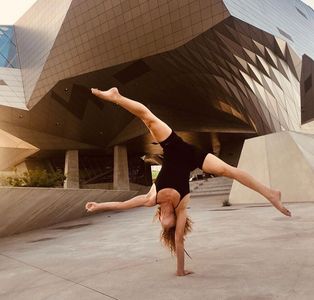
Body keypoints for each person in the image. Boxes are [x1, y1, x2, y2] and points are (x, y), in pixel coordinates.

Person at [85, 87, 291, 276]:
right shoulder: (181, 205)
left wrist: (98, 205)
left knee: (148, 119)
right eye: (170, 223)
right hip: (193, 157)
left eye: (163, 223)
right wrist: (181, 270)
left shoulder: (151, 199)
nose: (166, 220)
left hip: (174, 147)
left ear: (159, 219)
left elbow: (122, 205)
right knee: (231, 171)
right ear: (174, 219)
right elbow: (179, 240)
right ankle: (271, 193)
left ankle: (116, 97)